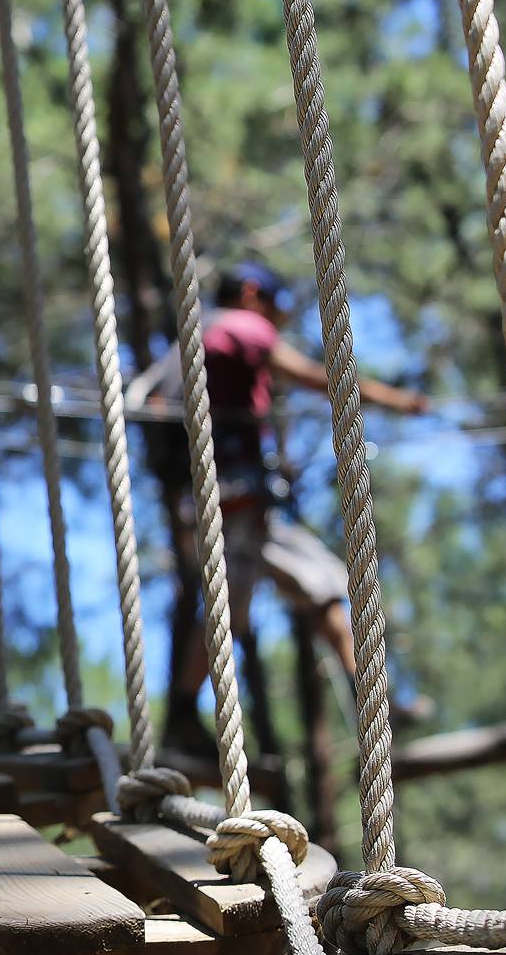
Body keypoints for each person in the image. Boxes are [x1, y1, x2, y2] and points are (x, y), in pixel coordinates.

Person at [171, 262, 431, 749]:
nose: (277, 320)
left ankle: (370, 696)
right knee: (276, 599)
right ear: (250, 294)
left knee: (307, 590)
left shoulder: (199, 339)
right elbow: (320, 378)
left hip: (230, 502)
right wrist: (393, 400)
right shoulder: (239, 327)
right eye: (273, 306)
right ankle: (370, 696)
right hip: (239, 501)